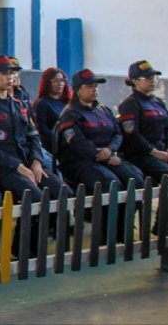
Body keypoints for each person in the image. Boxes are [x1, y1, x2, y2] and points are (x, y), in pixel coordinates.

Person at [0, 55, 68, 255]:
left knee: (60, 190)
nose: (9, 77)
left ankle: (39, 244)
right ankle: (23, 251)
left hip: (28, 164)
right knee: (35, 197)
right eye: (4, 73)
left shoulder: (19, 104)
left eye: (11, 73)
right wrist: (18, 166)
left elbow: (34, 136)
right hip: (2, 168)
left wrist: (36, 161)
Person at [57, 69, 144, 238]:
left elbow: (118, 133)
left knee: (136, 180)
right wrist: (102, 154)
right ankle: (107, 235)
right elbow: (77, 143)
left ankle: (123, 230)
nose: (95, 89)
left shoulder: (103, 110)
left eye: (96, 86)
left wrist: (110, 151)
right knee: (110, 184)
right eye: (90, 86)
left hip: (107, 158)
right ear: (78, 90)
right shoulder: (70, 114)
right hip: (80, 162)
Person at [118, 60, 168, 180]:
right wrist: (154, 152)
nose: (152, 80)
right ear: (135, 81)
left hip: (164, 152)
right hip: (143, 155)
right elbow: (132, 135)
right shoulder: (130, 104)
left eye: (153, 77)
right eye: (147, 77)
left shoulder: (157, 102)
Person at [33, 67, 71, 172]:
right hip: (54, 146)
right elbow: (42, 129)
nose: (60, 84)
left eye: (62, 80)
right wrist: (62, 139)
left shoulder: (68, 102)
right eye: (56, 81)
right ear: (48, 83)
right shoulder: (42, 103)